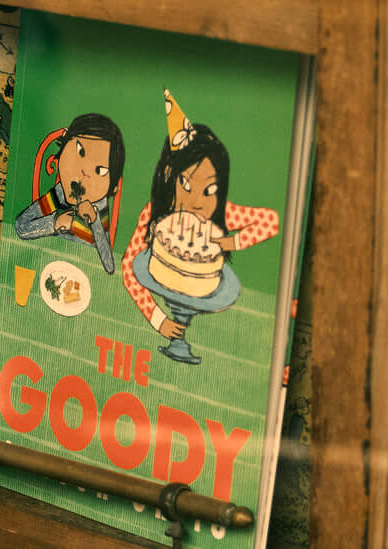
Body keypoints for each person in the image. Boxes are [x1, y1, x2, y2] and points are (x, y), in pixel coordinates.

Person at [116, 91, 278, 365]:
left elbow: (270, 222)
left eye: (210, 190)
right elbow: (130, 269)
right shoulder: (154, 213)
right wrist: (159, 320)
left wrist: (228, 243)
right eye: (186, 185)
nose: (196, 203)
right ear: (170, 177)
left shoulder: (221, 214)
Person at [15, 111, 125, 273]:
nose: (84, 172)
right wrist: (54, 223)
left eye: (100, 170)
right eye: (80, 151)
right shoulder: (59, 195)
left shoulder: (99, 206)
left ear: (113, 188)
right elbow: (22, 226)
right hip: (48, 266)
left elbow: (108, 265)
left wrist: (94, 221)